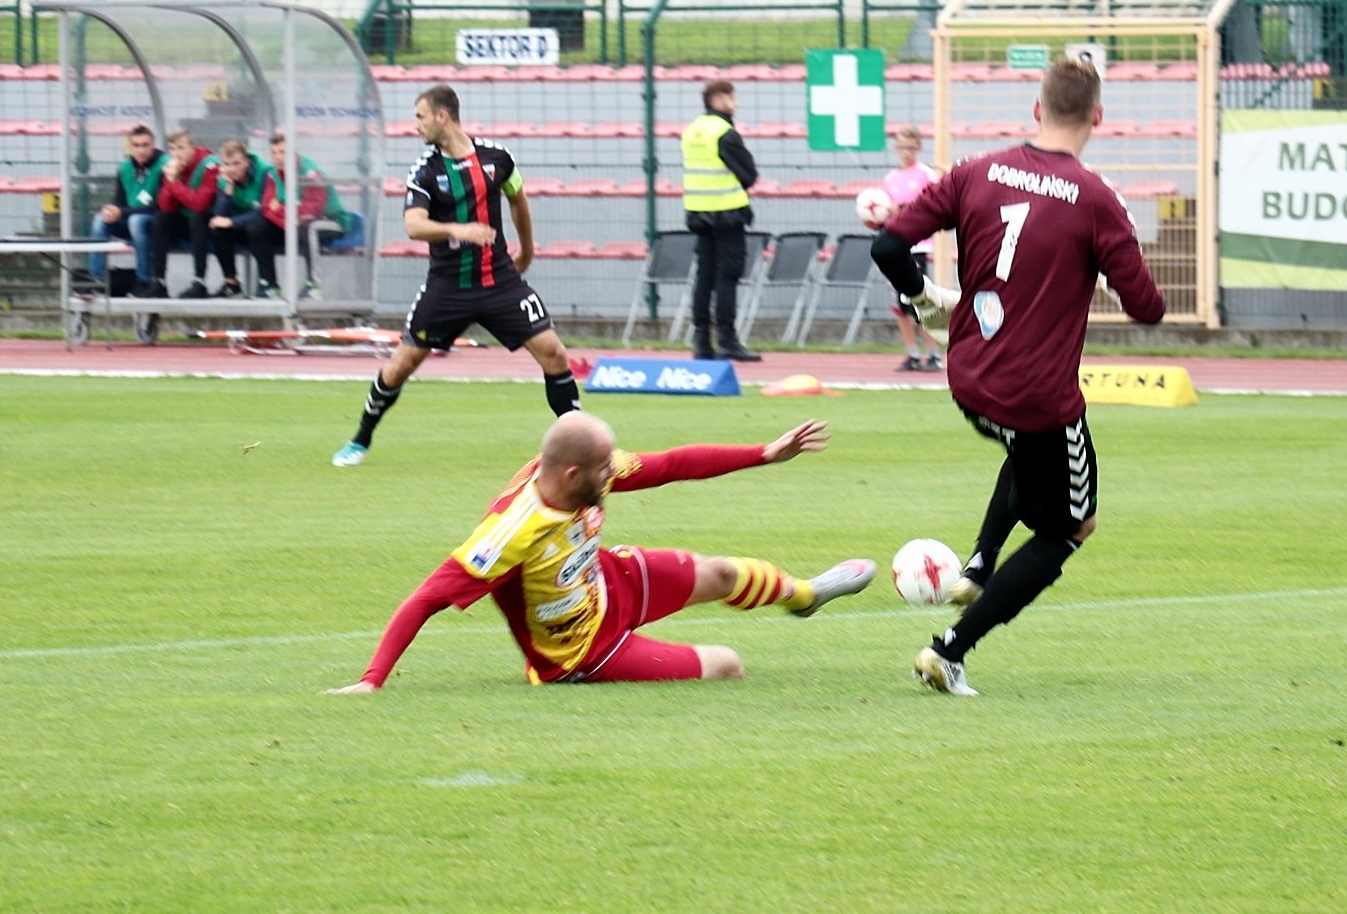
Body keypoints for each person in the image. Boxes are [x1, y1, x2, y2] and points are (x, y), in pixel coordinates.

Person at [870, 57, 1166, 696]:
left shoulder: (973, 171)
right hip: (1039, 397)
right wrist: (1108, 257)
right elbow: (1147, 308)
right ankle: (949, 651)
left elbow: (887, 246)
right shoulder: (1098, 199)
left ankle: (979, 564)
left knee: (1025, 451)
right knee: (1070, 528)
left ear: (1036, 109)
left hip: (970, 380)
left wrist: (922, 298)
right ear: (1098, 117)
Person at [324, 413, 876, 691]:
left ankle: (805, 595)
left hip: (608, 580)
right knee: (727, 664)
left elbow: (672, 464)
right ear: (572, 475)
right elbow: (426, 599)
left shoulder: (589, 471)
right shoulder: (509, 532)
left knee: (724, 573)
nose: (615, 472)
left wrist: (764, 453)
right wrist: (372, 680)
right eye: (604, 467)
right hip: (584, 650)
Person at [331, 85, 581, 468]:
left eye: (420, 117)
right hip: (447, 288)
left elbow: (518, 200)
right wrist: (458, 230)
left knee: (554, 353)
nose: (416, 125)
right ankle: (360, 439)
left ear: (442, 116)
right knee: (402, 365)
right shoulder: (425, 171)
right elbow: (414, 226)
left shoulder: (498, 158)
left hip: (500, 281)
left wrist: (527, 251)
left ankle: (578, 442)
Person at [681, 79, 762, 362]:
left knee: (704, 278)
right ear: (717, 100)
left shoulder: (691, 131)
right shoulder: (724, 133)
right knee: (727, 277)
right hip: (727, 214)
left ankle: (702, 342)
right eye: (731, 97)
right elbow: (749, 174)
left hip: (698, 213)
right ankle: (728, 340)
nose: (735, 103)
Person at [883, 126, 945, 372]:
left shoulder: (925, 175)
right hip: (896, 247)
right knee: (900, 305)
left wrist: (902, 209)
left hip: (917, 247)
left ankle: (934, 354)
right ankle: (912, 353)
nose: (906, 152)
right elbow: (885, 212)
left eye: (911, 148)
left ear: (918, 148)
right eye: (902, 147)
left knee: (920, 302)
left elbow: (933, 205)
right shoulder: (890, 179)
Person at [259, 131, 348, 299]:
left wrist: (280, 209)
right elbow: (266, 207)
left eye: (282, 152)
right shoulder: (273, 173)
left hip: (330, 220)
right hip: (293, 222)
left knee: (309, 227)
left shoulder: (310, 173)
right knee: (259, 226)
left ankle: (314, 285)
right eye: (274, 153)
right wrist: (286, 216)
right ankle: (269, 284)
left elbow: (311, 210)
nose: (277, 157)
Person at [86, 123, 166, 297]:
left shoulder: (164, 165)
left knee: (136, 221)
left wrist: (122, 213)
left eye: (145, 145)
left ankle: (144, 281)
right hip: (129, 221)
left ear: (153, 145)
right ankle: (96, 279)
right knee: (100, 219)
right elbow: (119, 200)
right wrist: (112, 210)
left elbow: (161, 206)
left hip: (156, 224)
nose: (141, 150)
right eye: (136, 145)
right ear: (130, 147)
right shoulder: (124, 167)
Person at [155, 128, 234, 298]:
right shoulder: (171, 167)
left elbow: (199, 205)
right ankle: (158, 282)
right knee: (161, 218)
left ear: (192, 148)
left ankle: (199, 281)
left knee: (197, 219)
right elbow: (166, 206)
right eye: (172, 149)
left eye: (181, 148)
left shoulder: (209, 166)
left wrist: (173, 183)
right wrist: (171, 179)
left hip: (210, 220)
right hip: (187, 219)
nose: (176, 154)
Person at [206, 139, 270, 298]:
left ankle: (266, 283)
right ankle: (231, 283)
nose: (231, 169)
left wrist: (231, 222)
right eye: (227, 164)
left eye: (236, 164)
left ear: (246, 162)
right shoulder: (225, 178)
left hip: (264, 226)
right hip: (239, 226)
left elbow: (265, 211)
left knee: (256, 226)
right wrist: (228, 188)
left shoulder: (265, 172)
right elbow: (219, 215)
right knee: (217, 229)